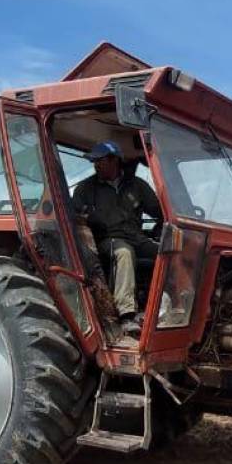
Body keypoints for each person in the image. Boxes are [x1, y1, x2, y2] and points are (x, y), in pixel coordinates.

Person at [70, 140, 161, 336]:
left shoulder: (136, 186)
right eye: (94, 162)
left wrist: (163, 223)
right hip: (107, 239)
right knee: (123, 253)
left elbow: (158, 211)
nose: (96, 165)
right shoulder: (86, 189)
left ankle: (163, 309)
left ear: (114, 161)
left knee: (167, 255)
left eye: (100, 161)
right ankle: (126, 315)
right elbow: (73, 216)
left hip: (136, 237)